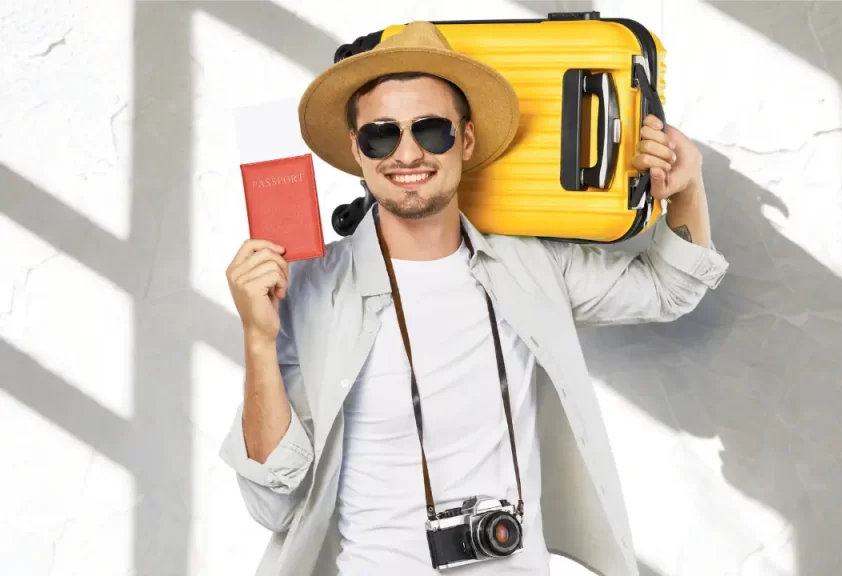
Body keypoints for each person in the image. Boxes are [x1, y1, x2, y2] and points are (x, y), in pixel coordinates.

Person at [220, 21, 729, 576]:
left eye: (431, 130)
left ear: (465, 139)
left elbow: (669, 287)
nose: (407, 154)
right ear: (357, 152)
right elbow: (271, 501)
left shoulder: (529, 264)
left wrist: (689, 185)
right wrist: (257, 339)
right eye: (381, 135)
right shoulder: (309, 285)